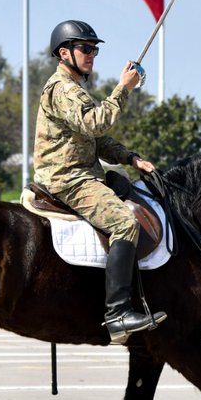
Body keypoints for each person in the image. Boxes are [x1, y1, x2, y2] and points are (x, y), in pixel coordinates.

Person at [33, 19, 164, 344]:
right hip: (68, 179)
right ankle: (118, 314)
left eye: (94, 49)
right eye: (85, 48)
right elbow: (94, 124)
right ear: (64, 53)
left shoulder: (76, 89)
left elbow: (95, 141)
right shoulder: (63, 89)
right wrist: (124, 88)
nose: (92, 54)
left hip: (85, 172)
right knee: (124, 223)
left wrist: (130, 157)